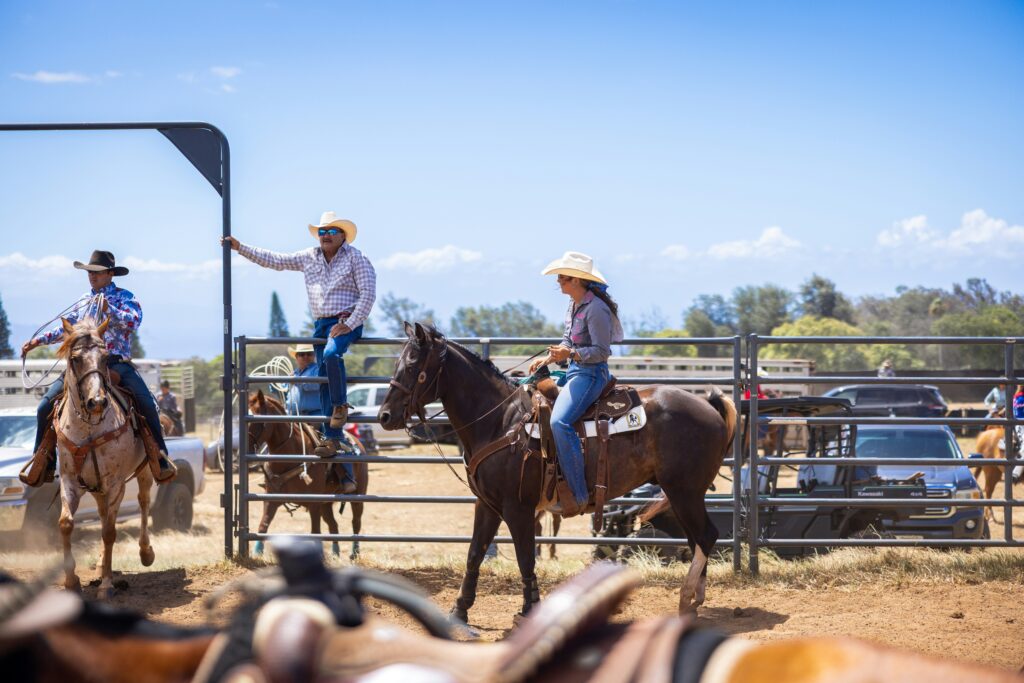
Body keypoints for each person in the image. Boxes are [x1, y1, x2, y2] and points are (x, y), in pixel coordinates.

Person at [222, 211, 376, 492]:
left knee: (331, 356)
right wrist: (241, 248)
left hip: (344, 319)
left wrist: (350, 323)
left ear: (343, 235)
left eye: (331, 231)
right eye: (322, 231)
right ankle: (332, 435)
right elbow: (277, 260)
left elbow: (367, 294)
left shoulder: (357, 258)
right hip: (321, 323)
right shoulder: (309, 257)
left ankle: (340, 410)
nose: (325, 235)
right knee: (324, 378)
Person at [19, 250, 175, 486]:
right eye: (90, 272)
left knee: (146, 403)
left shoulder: (125, 297)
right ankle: (44, 461)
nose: (92, 276)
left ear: (111, 274)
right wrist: (38, 341)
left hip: (115, 363)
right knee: (44, 407)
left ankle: (160, 457)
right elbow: (66, 329)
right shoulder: (83, 301)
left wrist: (109, 311)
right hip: (83, 365)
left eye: (97, 272)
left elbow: (134, 321)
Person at [529, 251, 623, 516]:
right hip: (575, 371)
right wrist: (551, 356)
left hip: (591, 374)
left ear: (577, 280)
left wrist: (569, 355)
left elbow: (601, 352)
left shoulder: (596, 309)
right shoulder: (575, 304)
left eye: (563, 277)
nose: (558, 281)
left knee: (559, 423)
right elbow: (568, 339)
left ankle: (578, 494)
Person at [286, 344, 321, 416]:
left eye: (309, 354)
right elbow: (283, 389)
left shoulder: (318, 369)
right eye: (302, 354)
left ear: (314, 355)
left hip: (314, 414)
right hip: (292, 415)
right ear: (296, 357)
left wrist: (298, 381)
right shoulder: (294, 373)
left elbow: (317, 384)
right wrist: (274, 384)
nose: (306, 356)